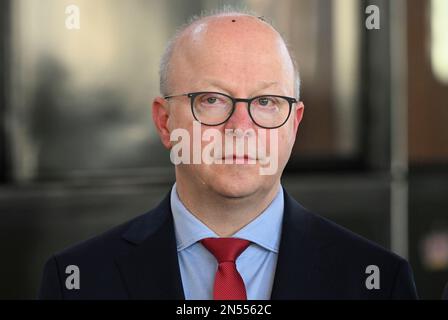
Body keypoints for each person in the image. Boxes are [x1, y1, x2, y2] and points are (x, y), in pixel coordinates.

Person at [38, 10, 418, 300]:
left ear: (294, 124)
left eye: (266, 102)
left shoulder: (379, 281)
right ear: (165, 121)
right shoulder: (77, 279)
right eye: (213, 100)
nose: (240, 128)